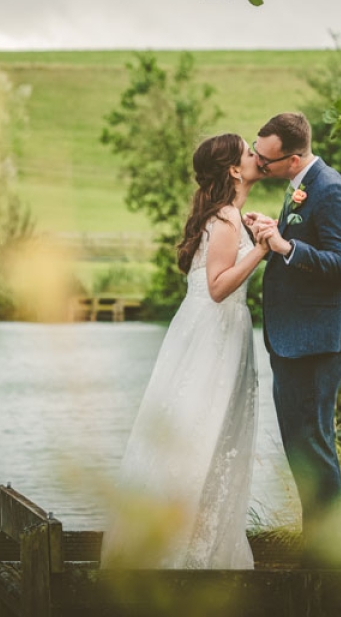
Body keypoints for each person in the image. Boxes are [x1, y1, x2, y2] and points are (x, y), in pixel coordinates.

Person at [100, 133, 269, 569]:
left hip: (208, 331)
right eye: (249, 152)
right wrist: (264, 249)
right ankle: (180, 554)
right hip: (214, 332)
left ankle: (189, 544)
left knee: (203, 432)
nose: (256, 155)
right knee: (200, 432)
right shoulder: (227, 219)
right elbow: (217, 288)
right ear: (234, 170)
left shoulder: (229, 217)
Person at [243, 112, 341, 564]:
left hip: (318, 342)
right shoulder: (302, 187)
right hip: (297, 339)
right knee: (303, 443)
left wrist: (286, 247)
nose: (258, 163)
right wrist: (272, 233)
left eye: (265, 160)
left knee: (311, 444)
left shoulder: (332, 192)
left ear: (293, 160)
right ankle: (321, 546)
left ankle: (327, 555)